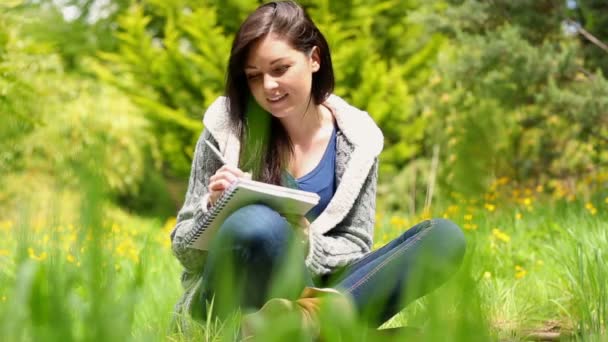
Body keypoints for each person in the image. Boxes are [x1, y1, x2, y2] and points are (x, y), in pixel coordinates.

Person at [170, 0, 466, 337]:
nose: (268, 86)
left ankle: (296, 326)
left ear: (314, 59)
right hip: (233, 296)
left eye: (280, 69)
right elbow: (184, 251)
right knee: (255, 224)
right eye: (254, 77)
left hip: (314, 283)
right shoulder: (226, 126)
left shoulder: (357, 140)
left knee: (443, 237)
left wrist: (305, 241)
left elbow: (354, 247)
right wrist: (214, 210)